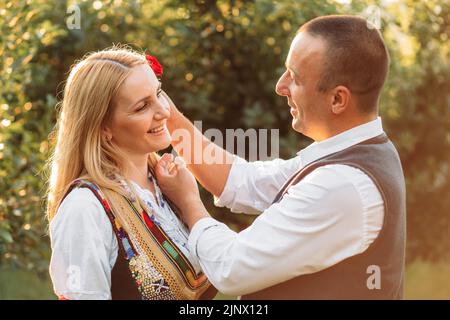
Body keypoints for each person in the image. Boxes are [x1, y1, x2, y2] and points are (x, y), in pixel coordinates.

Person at [155, 15, 406, 299]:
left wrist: (189, 201)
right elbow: (241, 181)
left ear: (337, 99)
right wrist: (170, 118)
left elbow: (231, 268)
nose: (280, 85)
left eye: (295, 78)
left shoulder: (342, 185)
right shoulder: (354, 155)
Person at [47, 46, 215, 300]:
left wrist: (189, 200)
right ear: (104, 127)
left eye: (158, 94)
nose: (163, 111)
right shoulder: (85, 208)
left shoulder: (168, 186)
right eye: (141, 107)